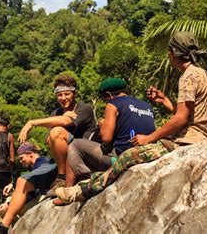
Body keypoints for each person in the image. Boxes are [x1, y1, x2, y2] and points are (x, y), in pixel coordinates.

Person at [55, 31, 207, 204]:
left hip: (186, 140)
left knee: (128, 156)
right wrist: (165, 101)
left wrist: (150, 138)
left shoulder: (187, 77)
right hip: (202, 136)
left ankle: (81, 191)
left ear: (173, 52)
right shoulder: (202, 74)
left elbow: (181, 119)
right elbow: (191, 113)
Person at [53, 77, 155, 206]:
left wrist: (104, 125)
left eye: (103, 98)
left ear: (108, 95)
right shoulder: (146, 105)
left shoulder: (113, 104)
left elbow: (106, 138)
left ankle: (69, 191)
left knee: (75, 144)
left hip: (122, 158)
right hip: (146, 153)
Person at [18, 73, 98, 192]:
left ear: (74, 94)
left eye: (67, 94)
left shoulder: (84, 108)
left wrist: (32, 122)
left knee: (56, 131)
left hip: (85, 155)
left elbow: (65, 122)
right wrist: (63, 116)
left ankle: (62, 177)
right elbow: (49, 140)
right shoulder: (56, 113)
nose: (63, 98)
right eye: (59, 95)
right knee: (23, 180)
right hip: (66, 158)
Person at [0, 142, 58, 234]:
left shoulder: (44, 164)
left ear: (29, 154)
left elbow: (32, 193)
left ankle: (2, 229)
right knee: (6, 204)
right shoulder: (39, 165)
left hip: (44, 197)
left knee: (5, 208)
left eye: (22, 158)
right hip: (39, 196)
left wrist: (9, 204)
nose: (21, 161)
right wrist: (12, 185)